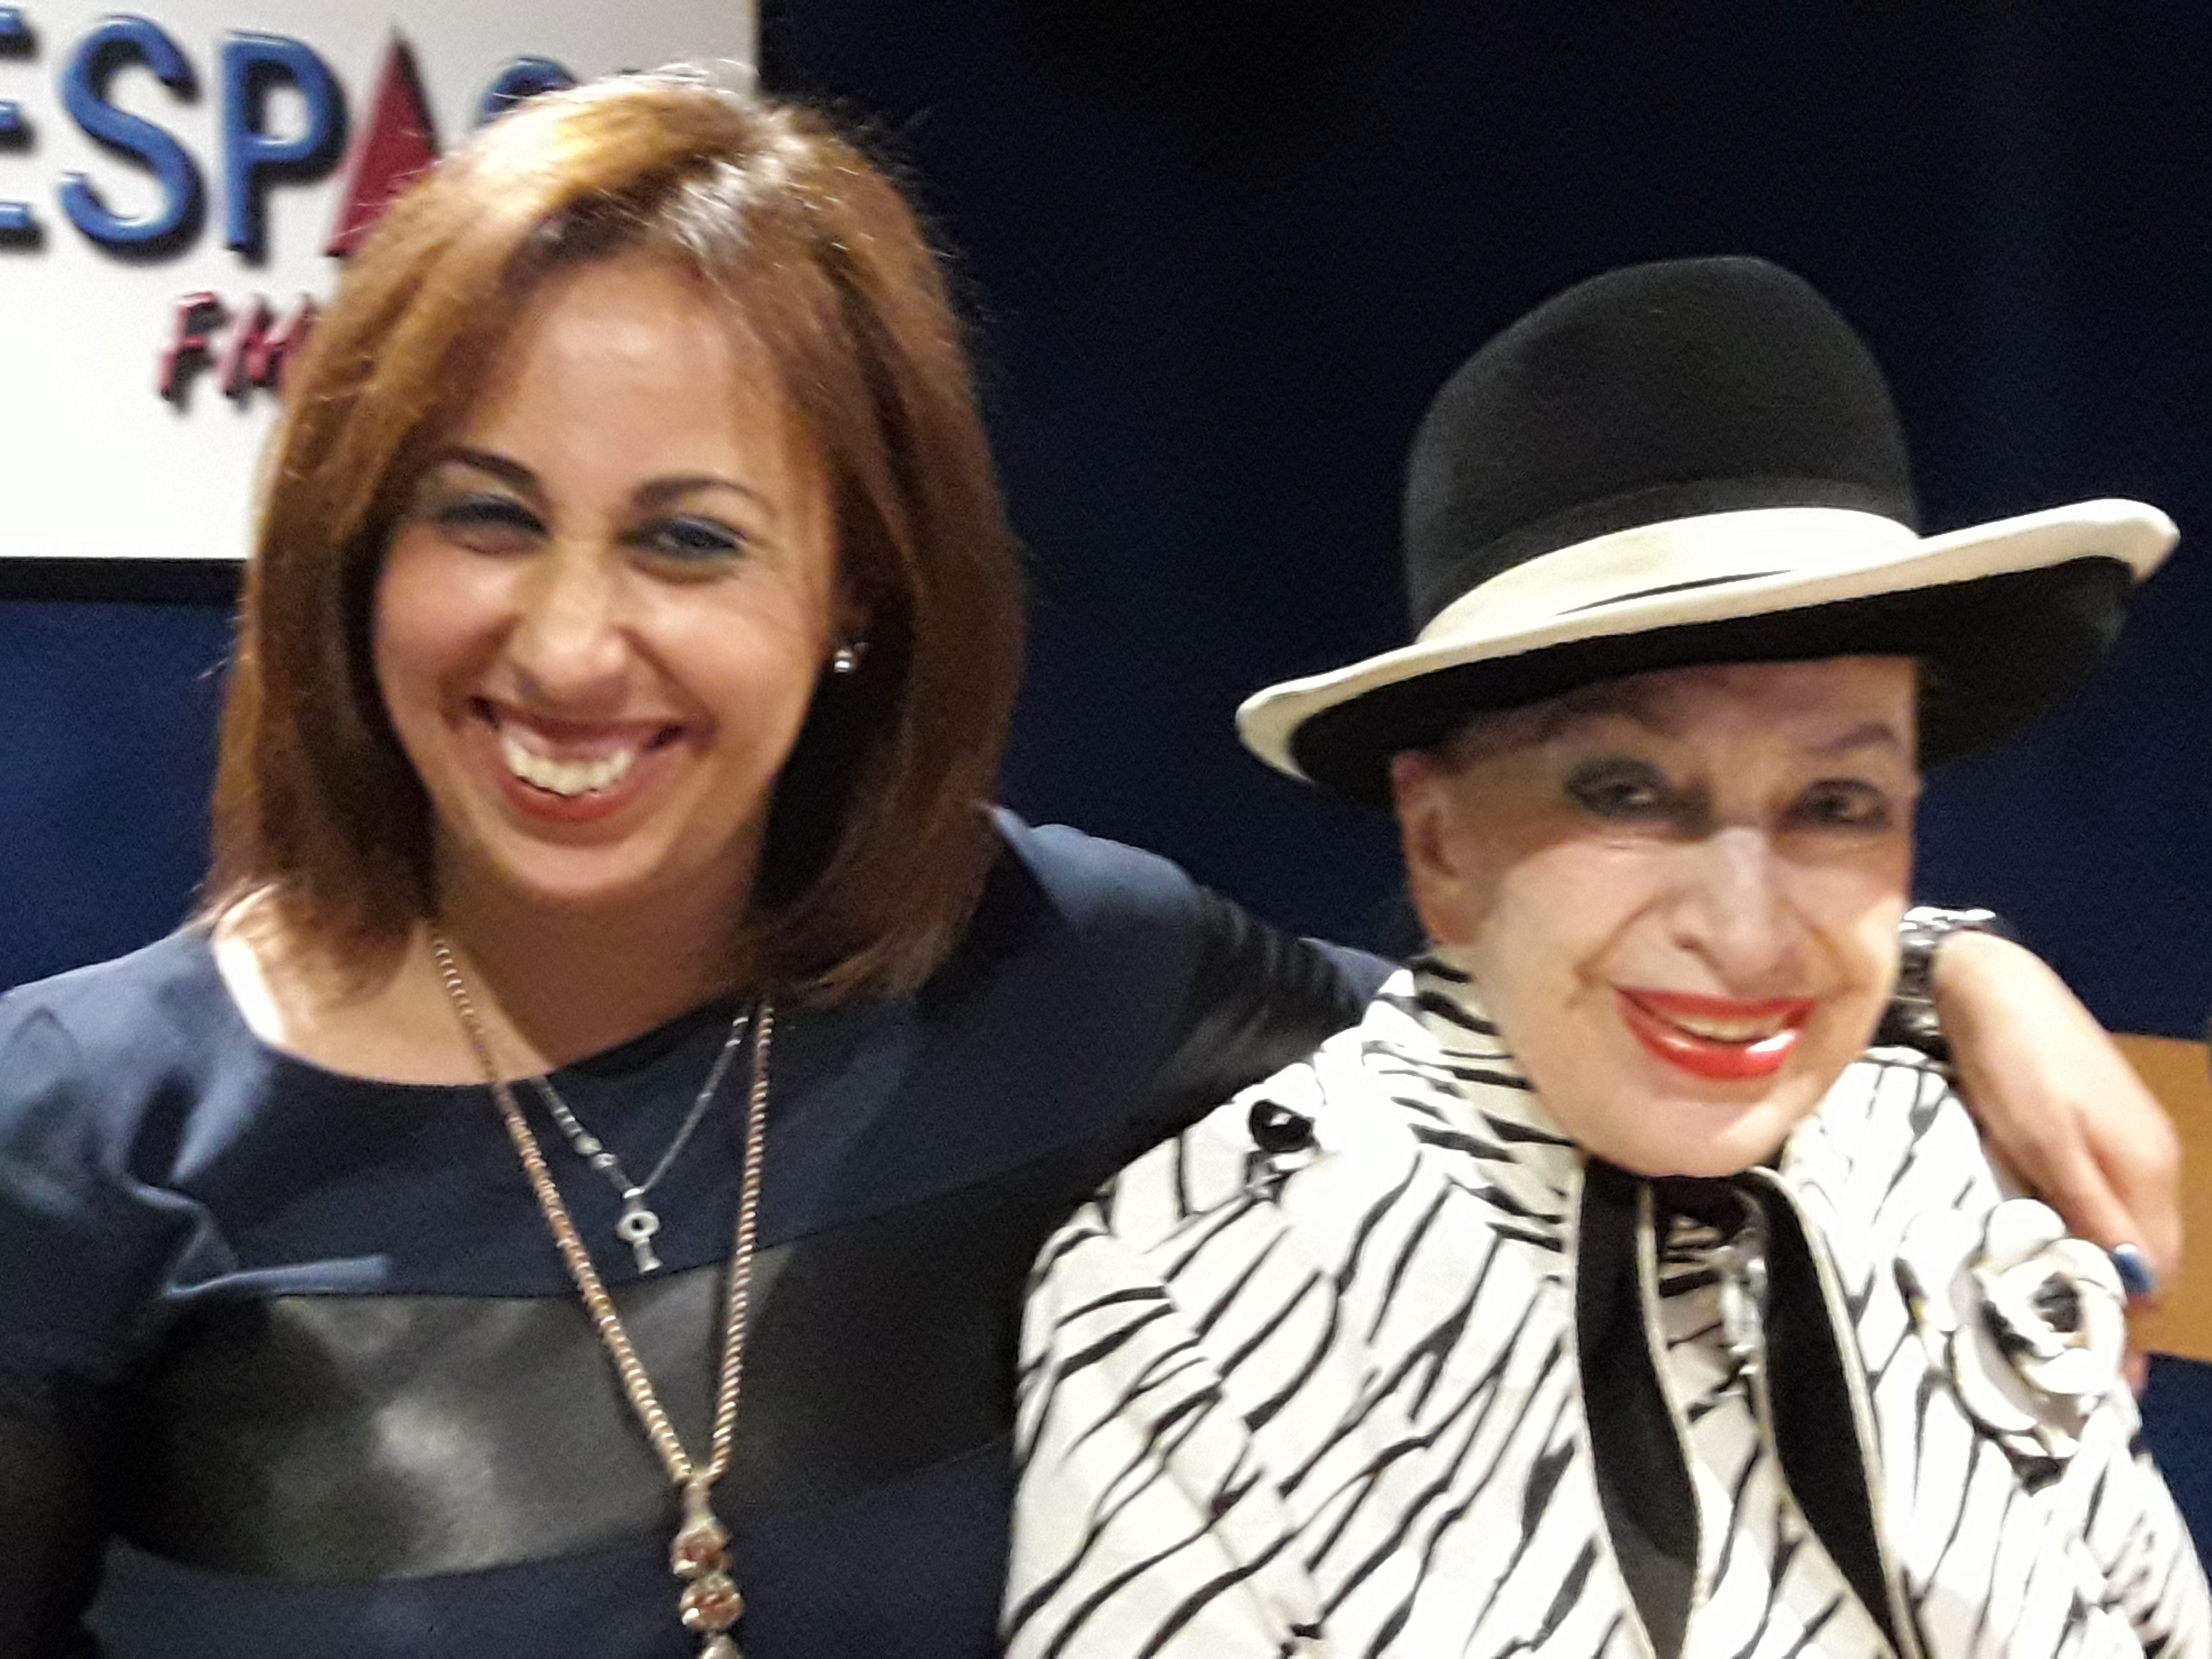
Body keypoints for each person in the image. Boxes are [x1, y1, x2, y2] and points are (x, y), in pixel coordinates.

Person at [0, 80, 2176, 1659]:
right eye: (483, 516)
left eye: (690, 540)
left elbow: (1527, 985)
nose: (572, 645)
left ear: (854, 598)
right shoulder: (70, 1142)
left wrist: (1944, 975)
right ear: (353, 549)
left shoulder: (1052, 969)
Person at [1007, 258, 2209, 1659]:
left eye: (1837, 804)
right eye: (1624, 794)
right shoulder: (1188, 1323)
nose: (1747, 933)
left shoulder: (1945, 1159)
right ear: (1439, 842)